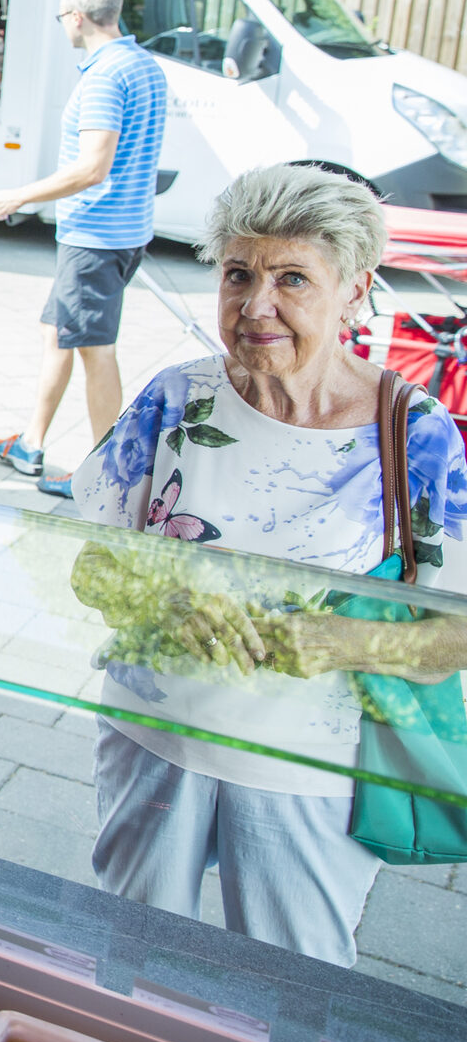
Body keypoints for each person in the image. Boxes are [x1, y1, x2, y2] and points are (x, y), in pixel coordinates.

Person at [70, 164, 467, 966]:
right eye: (239, 274)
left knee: (295, 985)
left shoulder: (414, 430)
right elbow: (91, 566)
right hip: (155, 735)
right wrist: (159, 604)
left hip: (306, 769)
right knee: (128, 967)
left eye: (293, 278)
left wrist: (338, 642)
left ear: (354, 289)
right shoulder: (177, 400)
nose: (257, 305)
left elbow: (453, 635)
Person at [0, 0, 168, 498]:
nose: (63, 23)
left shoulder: (106, 77)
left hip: (96, 234)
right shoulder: (143, 64)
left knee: (95, 350)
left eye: (63, 15)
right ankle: (32, 443)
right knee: (58, 333)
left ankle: (106, 475)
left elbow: (92, 167)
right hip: (126, 228)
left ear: (79, 17)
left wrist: (22, 195)